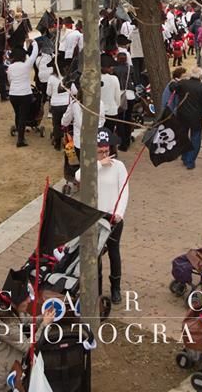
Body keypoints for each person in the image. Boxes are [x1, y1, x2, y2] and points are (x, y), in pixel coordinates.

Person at [75, 129, 128, 303]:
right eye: (100, 152)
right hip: (94, 217)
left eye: (107, 151)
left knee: (114, 252)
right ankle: (95, 286)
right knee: (94, 253)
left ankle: (116, 288)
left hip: (112, 217)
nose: (105, 155)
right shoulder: (91, 164)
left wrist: (119, 213)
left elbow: (124, 190)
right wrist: (98, 164)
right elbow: (79, 176)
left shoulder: (119, 166)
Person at [175, 67, 202, 170]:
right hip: (196, 116)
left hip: (182, 114)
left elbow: (174, 88)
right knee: (195, 138)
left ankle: (184, 156)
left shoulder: (183, 84)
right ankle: (190, 160)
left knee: (183, 136)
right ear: (201, 76)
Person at [7, 41, 38, 147]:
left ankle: (19, 134)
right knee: (23, 116)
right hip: (25, 93)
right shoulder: (26, 65)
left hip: (13, 94)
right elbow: (34, 54)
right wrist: (34, 44)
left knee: (17, 114)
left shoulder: (10, 67)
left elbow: (10, 80)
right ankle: (20, 139)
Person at [45, 61, 71, 150]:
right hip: (67, 104)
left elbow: (48, 92)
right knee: (67, 124)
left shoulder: (51, 78)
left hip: (55, 104)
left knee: (56, 124)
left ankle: (57, 144)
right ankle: (68, 143)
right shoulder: (68, 77)